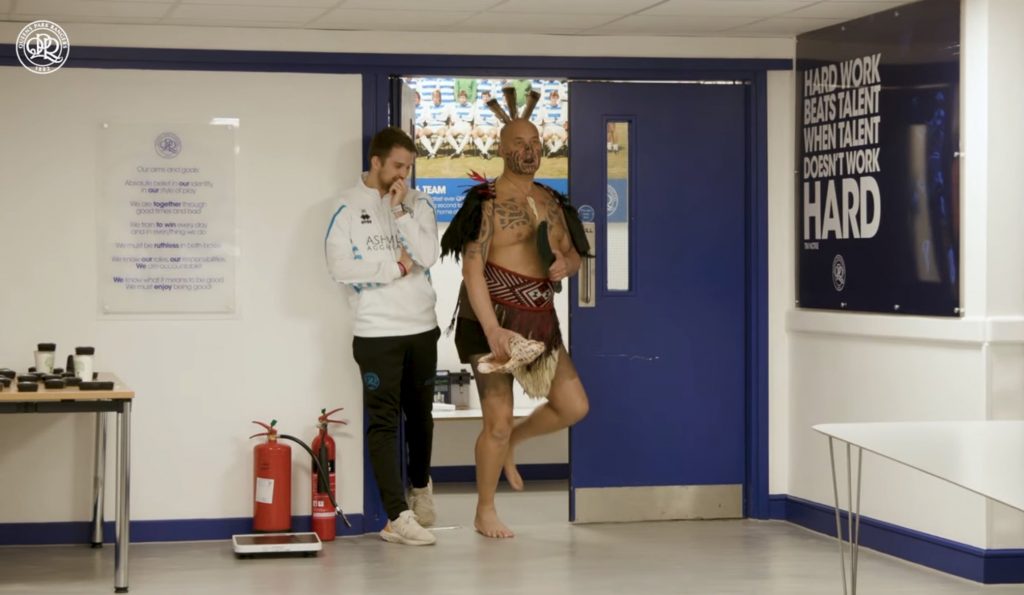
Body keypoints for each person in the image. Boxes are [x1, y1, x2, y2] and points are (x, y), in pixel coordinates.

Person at [440, 89, 590, 539]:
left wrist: (569, 264)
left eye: (537, 143)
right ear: (503, 149)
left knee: (574, 406)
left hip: (538, 321)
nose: (530, 151)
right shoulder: (483, 203)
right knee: (497, 422)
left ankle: (515, 444)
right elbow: (472, 272)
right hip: (488, 322)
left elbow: (573, 255)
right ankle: (485, 510)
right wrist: (493, 331)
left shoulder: (552, 201)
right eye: (521, 144)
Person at [324, 127, 440, 546]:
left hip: (422, 327)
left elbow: (428, 256)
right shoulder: (345, 206)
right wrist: (394, 268)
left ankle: (421, 488)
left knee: (421, 415)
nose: (402, 175)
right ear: (375, 162)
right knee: (385, 422)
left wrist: (401, 213)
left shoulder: (418, 202)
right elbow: (339, 268)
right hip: (377, 333)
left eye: (408, 167)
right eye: (396, 166)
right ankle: (397, 516)